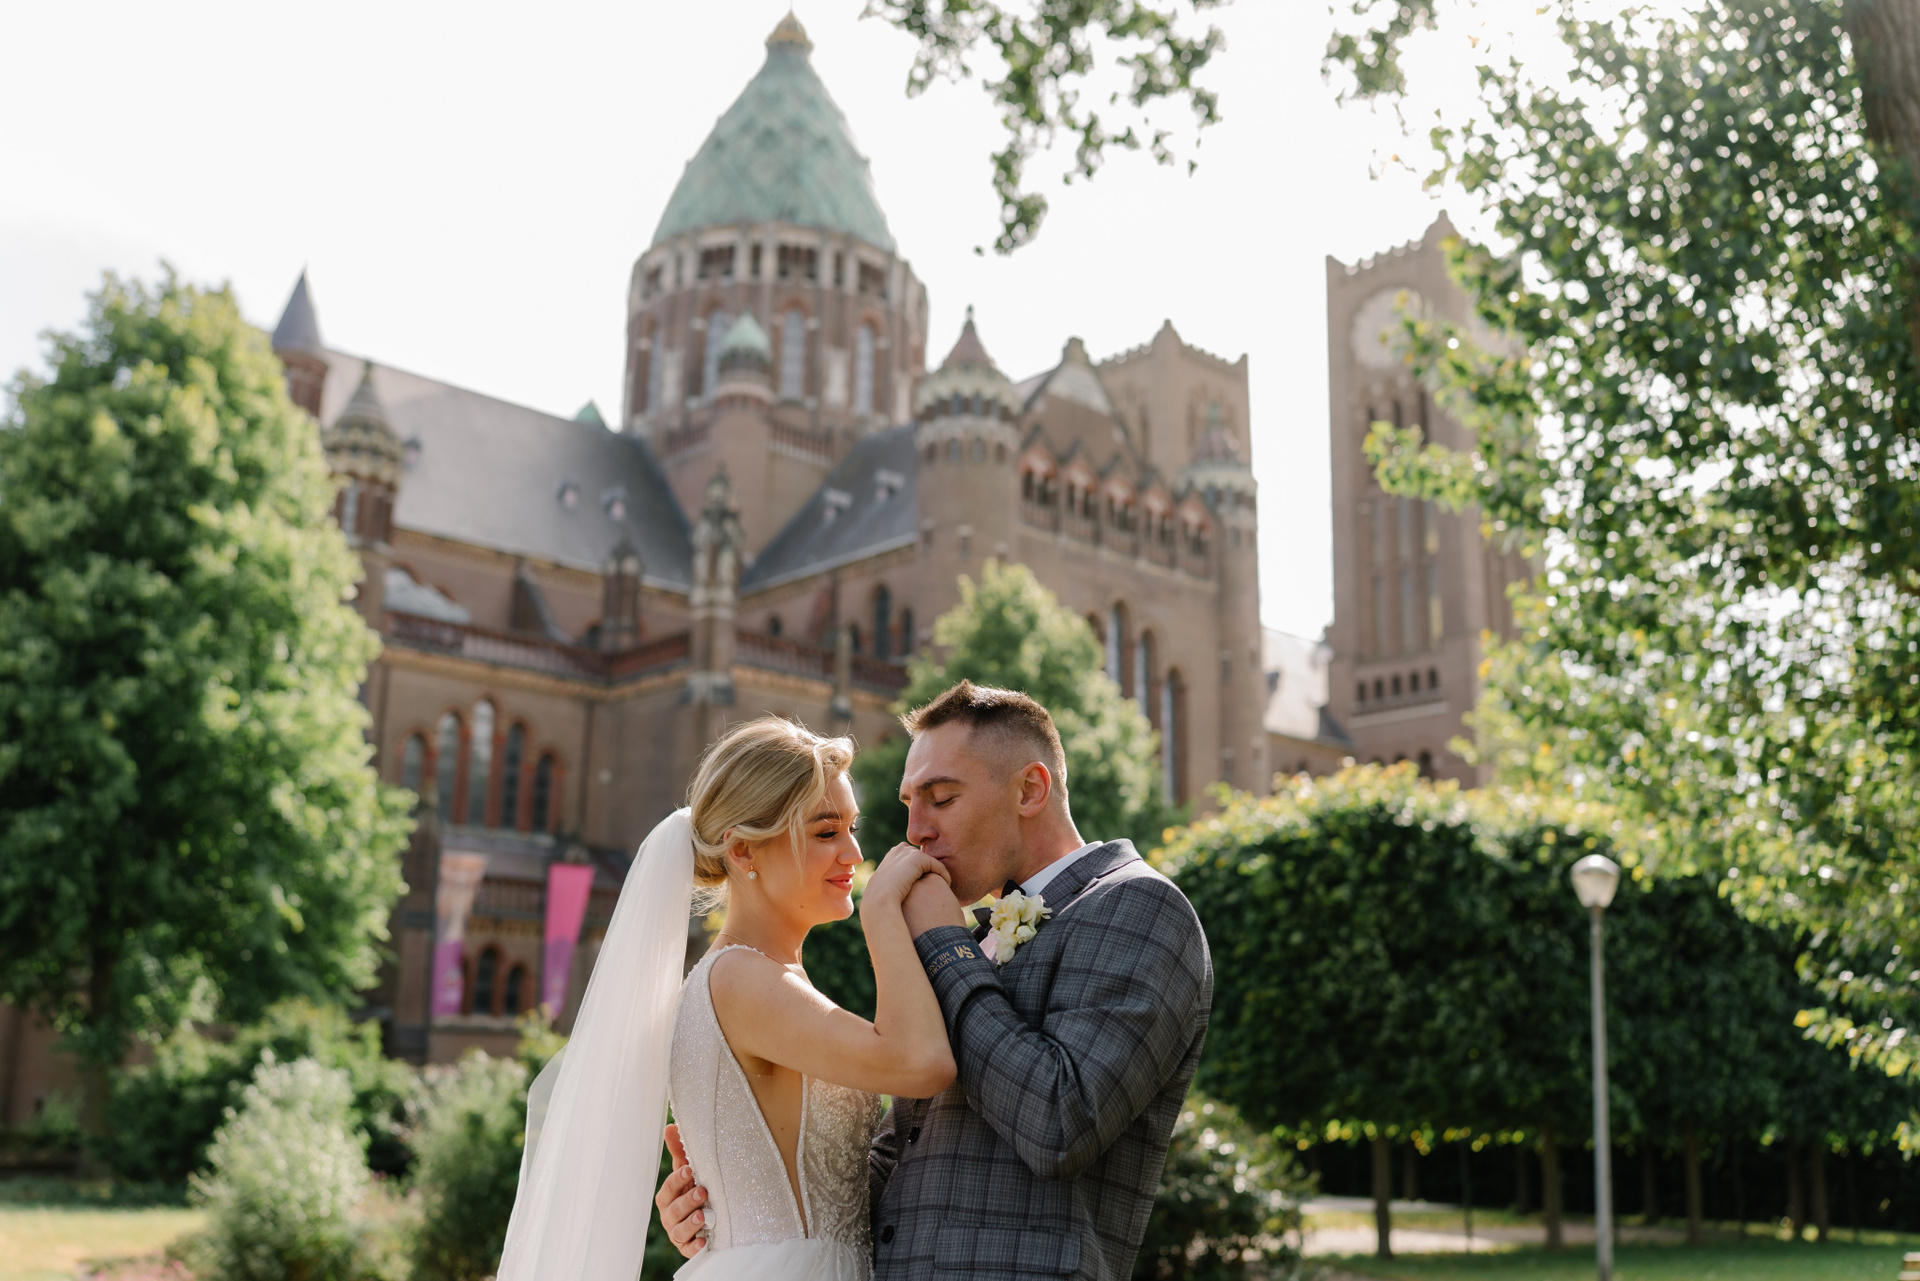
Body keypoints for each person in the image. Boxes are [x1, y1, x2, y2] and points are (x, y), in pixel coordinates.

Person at [658, 681, 1214, 1280]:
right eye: (908, 804)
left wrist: (943, 944)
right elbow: (905, 1153)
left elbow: (1060, 1124)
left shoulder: (1139, 907)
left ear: (1030, 790)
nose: (915, 831)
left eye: (942, 799)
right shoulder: (971, 936)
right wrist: (738, 1209)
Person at [498, 716, 956, 1281]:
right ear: (743, 851)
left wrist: (725, 1215)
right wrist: (882, 910)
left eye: (851, 828)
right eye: (825, 832)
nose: (854, 853)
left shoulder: (756, 977)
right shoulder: (741, 981)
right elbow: (920, 1062)